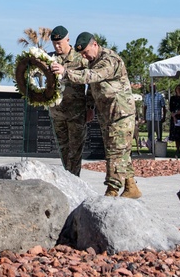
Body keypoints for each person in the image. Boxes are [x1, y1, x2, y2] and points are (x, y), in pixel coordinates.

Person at [51, 32, 139, 198]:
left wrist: (66, 72)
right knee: (119, 150)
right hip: (107, 114)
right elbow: (93, 87)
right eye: (82, 54)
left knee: (115, 151)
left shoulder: (109, 59)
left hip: (121, 113)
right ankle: (131, 185)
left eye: (85, 52)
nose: (84, 56)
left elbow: (93, 76)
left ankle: (112, 190)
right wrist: (90, 106)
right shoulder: (94, 61)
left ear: (95, 45)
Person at [46, 25, 90, 176]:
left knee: (75, 149)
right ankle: (68, 177)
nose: (57, 46)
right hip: (57, 113)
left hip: (76, 112)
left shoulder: (80, 58)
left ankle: (74, 180)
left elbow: (91, 81)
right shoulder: (50, 58)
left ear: (68, 40)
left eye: (60, 43)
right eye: (54, 44)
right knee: (63, 148)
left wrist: (90, 108)